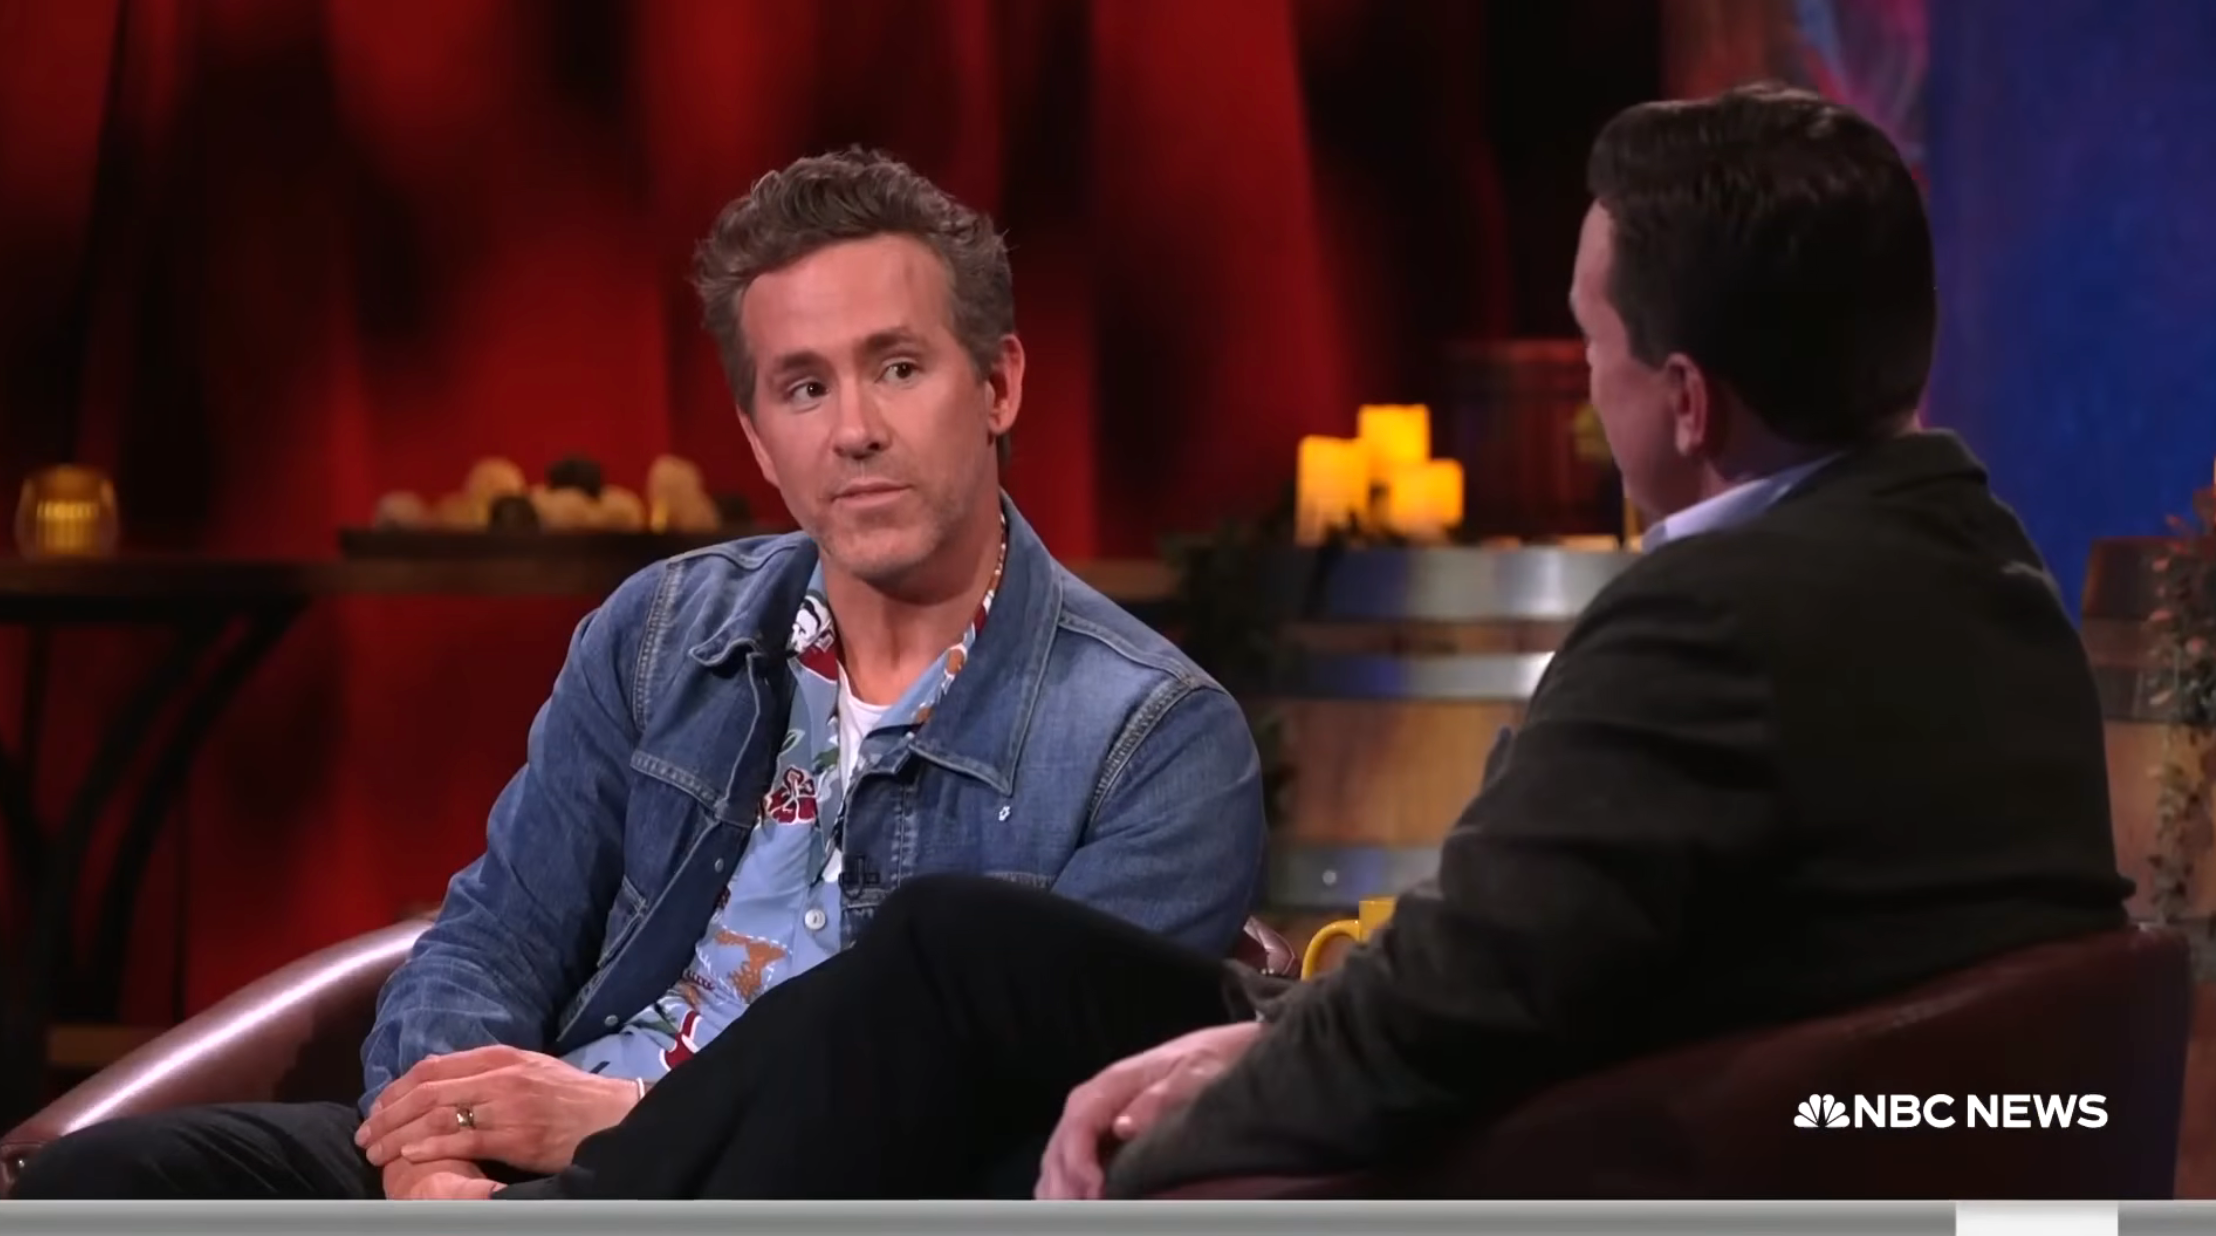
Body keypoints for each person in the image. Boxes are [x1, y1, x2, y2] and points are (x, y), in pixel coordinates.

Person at [461, 82, 2131, 1202]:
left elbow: (1456, 1010)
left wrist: (1173, 1120)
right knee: (967, 951)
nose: (1590, 390)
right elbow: (1538, 957)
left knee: (952, 964)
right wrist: (1260, 1028)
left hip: (1590, 1153)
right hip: (1683, 1088)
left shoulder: (1712, 621)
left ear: (1682, 402)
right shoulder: (1976, 564)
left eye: (1591, 347)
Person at [10, 149, 1268, 1200]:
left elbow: (1010, 1118)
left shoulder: (1156, 740)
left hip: (783, 1198)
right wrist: (439, 1150)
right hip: (528, 1160)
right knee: (103, 1184)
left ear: (996, 385)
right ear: (756, 439)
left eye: (897, 366)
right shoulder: (663, 631)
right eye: (802, 387)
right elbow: (494, 935)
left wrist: (619, 1126)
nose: (852, 431)